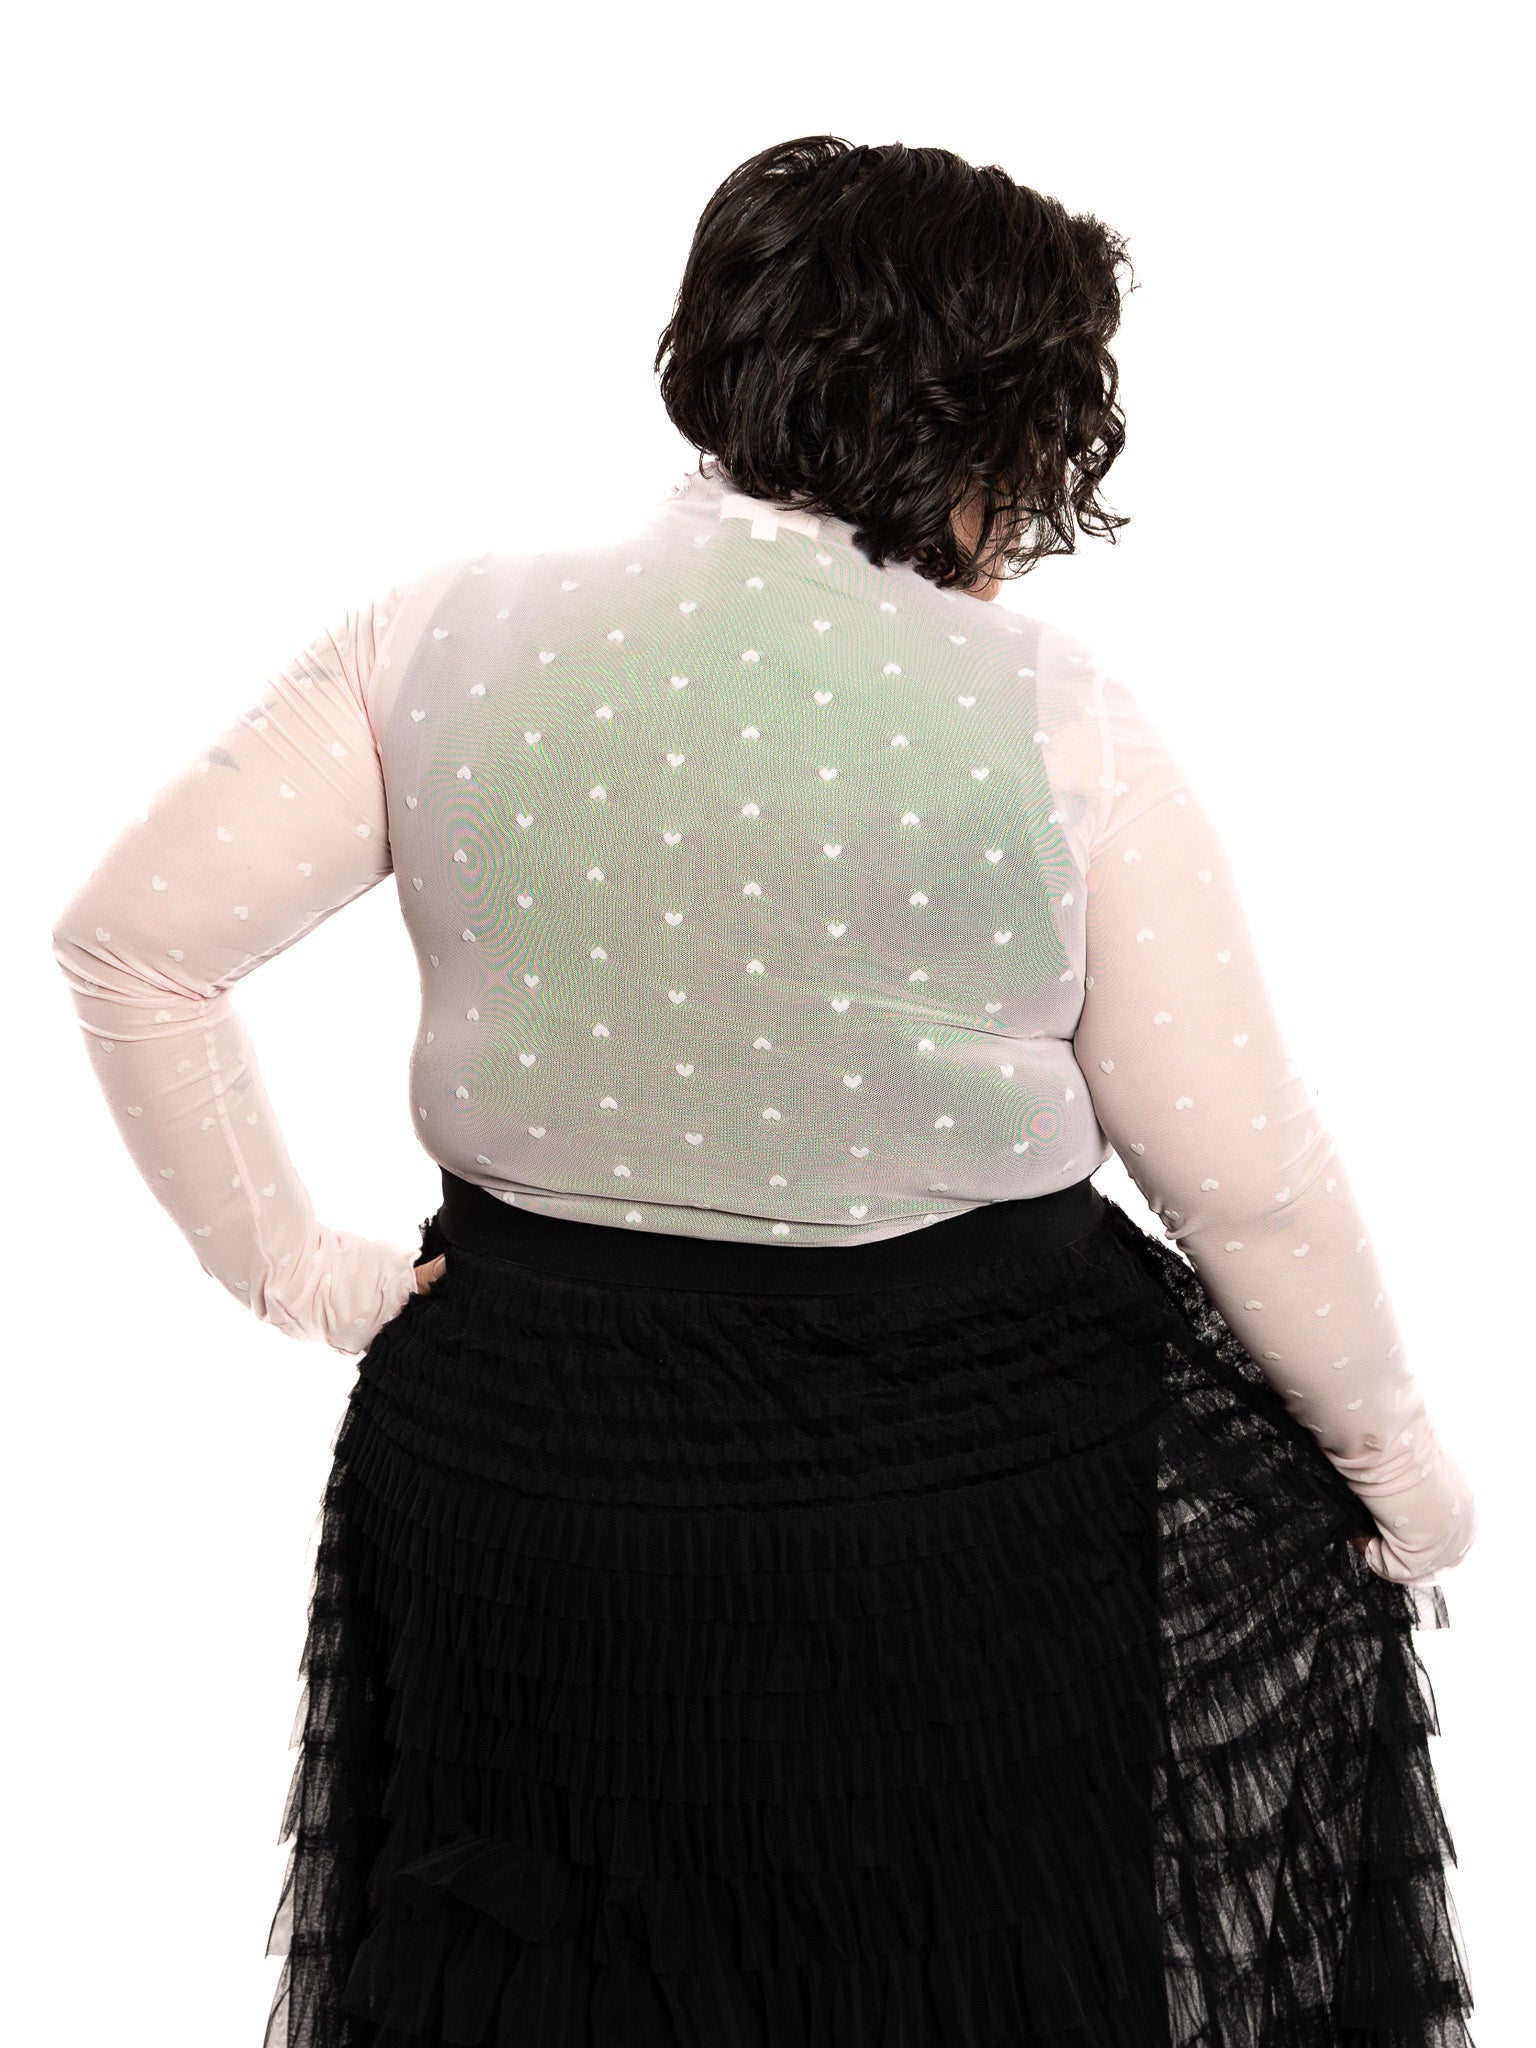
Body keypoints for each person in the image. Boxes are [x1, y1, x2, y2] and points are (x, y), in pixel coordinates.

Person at [51, 136, 1477, 2047]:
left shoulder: (440, 630)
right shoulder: (1054, 714)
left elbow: (133, 945)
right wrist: (1396, 1467)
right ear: (1006, 421)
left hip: (527, 1470)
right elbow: (1248, 1179)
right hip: (968, 1507)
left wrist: (302, 1276)